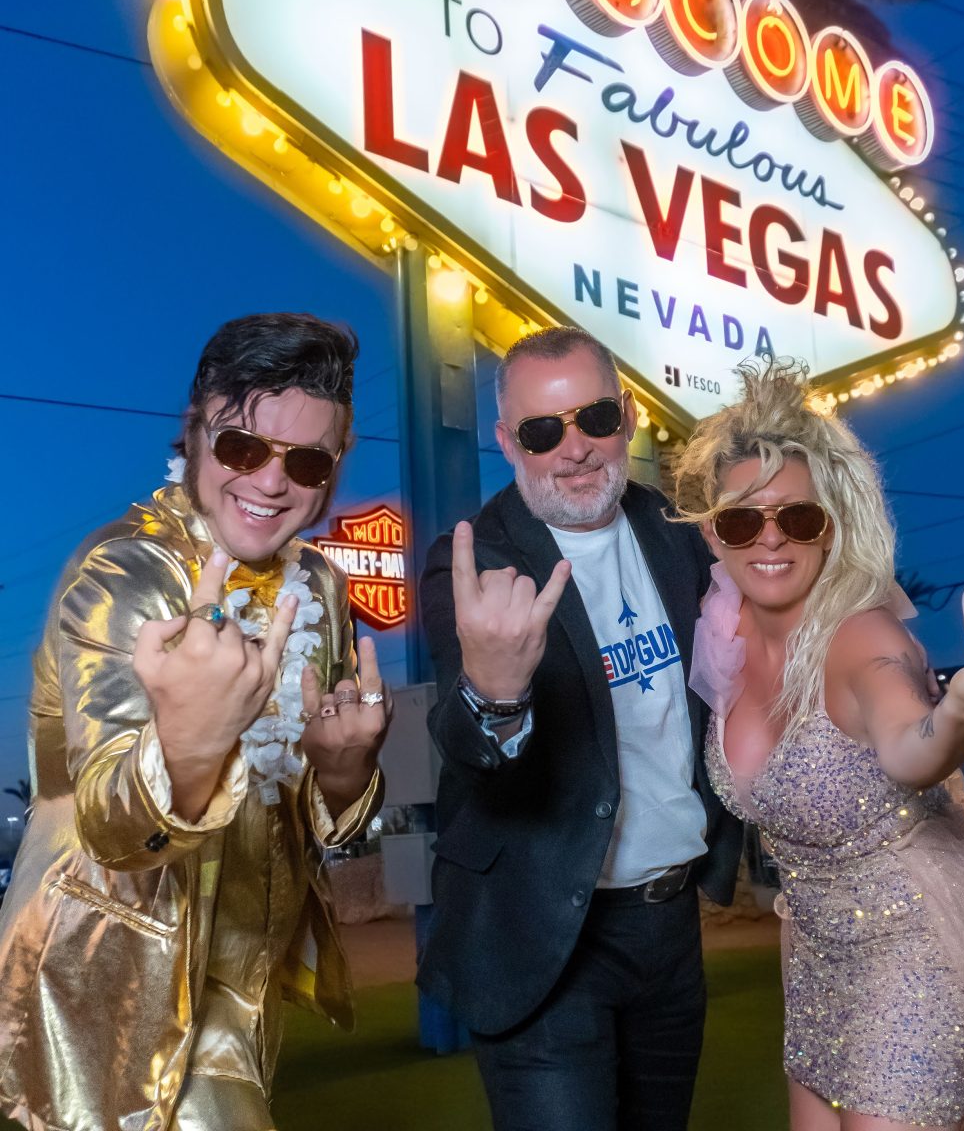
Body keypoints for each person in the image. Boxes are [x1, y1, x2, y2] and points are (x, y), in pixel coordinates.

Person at [674, 360, 964, 1131]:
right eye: (741, 521)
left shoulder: (863, 637)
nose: (770, 538)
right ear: (713, 534)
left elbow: (911, 749)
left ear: (831, 527)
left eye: (798, 518)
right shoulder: (723, 637)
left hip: (914, 953)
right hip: (813, 959)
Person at [0, 313, 391, 1131]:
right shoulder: (123, 575)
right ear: (196, 432)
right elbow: (109, 824)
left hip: (246, 977)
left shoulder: (318, 587)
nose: (272, 482)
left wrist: (346, 769)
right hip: (113, 978)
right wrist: (187, 743)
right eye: (243, 447)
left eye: (307, 461)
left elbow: (313, 809)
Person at [418, 326, 742, 1130]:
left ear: (626, 416)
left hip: (670, 926)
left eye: (594, 418)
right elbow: (462, 741)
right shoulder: (472, 563)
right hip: (541, 936)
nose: (574, 449)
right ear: (506, 443)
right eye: (541, 431)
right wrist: (495, 694)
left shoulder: (680, 529)